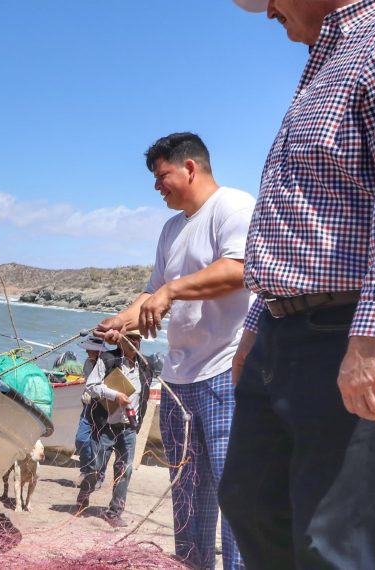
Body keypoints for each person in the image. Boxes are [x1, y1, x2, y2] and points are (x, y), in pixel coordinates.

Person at [222, 2, 375, 568]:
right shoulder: (324, 60)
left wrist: (372, 336)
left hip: (353, 326)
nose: (267, 10)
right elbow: (299, 216)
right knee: (248, 502)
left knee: (329, 540)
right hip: (283, 325)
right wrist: (255, 325)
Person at [96, 133, 254, 569]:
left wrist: (170, 291)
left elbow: (239, 270)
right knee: (188, 501)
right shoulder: (170, 229)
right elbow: (151, 294)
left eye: (161, 175)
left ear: (190, 168)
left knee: (235, 495)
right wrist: (120, 322)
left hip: (228, 373)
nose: (156, 186)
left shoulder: (234, 206)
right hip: (179, 380)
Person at [76, 330, 153, 528]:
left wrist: (138, 421)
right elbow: (91, 386)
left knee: (124, 471)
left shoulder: (145, 366)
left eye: (139, 338)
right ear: (121, 341)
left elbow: (144, 396)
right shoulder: (108, 359)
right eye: (132, 338)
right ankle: (84, 494)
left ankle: (115, 512)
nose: (136, 341)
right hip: (106, 425)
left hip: (129, 428)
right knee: (96, 468)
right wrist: (114, 395)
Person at [73, 335, 120, 488]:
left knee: (101, 445)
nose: (87, 351)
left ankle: (98, 475)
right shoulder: (87, 363)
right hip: (88, 406)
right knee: (81, 439)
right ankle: (86, 470)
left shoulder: (109, 363)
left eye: (90, 349)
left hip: (103, 408)